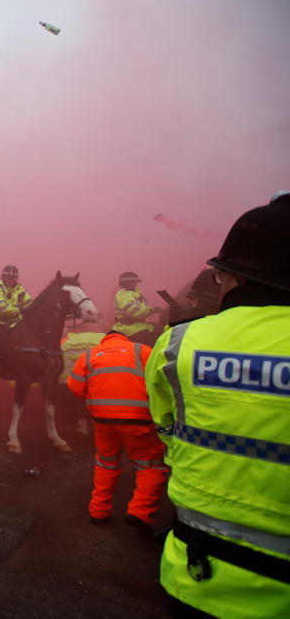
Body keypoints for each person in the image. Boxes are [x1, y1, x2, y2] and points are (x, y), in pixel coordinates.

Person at [145, 191, 290, 619]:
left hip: (193, 574)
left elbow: (166, 426)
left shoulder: (179, 342)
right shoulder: (5, 288)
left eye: (221, 276)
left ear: (238, 278)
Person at [68, 330, 168, 533]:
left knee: (106, 462)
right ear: (124, 338)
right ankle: (139, 512)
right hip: (139, 421)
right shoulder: (143, 351)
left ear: (105, 339)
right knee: (150, 465)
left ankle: (98, 512)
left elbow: (75, 387)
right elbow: (161, 381)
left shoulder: (90, 354)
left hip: (103, 420)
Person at [58, 327, 105, 436]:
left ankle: (81, 426)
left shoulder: (66, 340)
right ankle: (97, 426)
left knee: (77, 399)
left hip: (70, 377)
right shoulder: (102, 338)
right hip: (96, 376)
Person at [113, 271, 161, 345]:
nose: (135, 284)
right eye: (133, 282)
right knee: (154, 342)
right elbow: (133, 311)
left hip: (137, 326)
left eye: (135, 282)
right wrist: (151, 310)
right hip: (128, 329)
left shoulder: (134, 294)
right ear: (125, 283)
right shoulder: (125, 295)